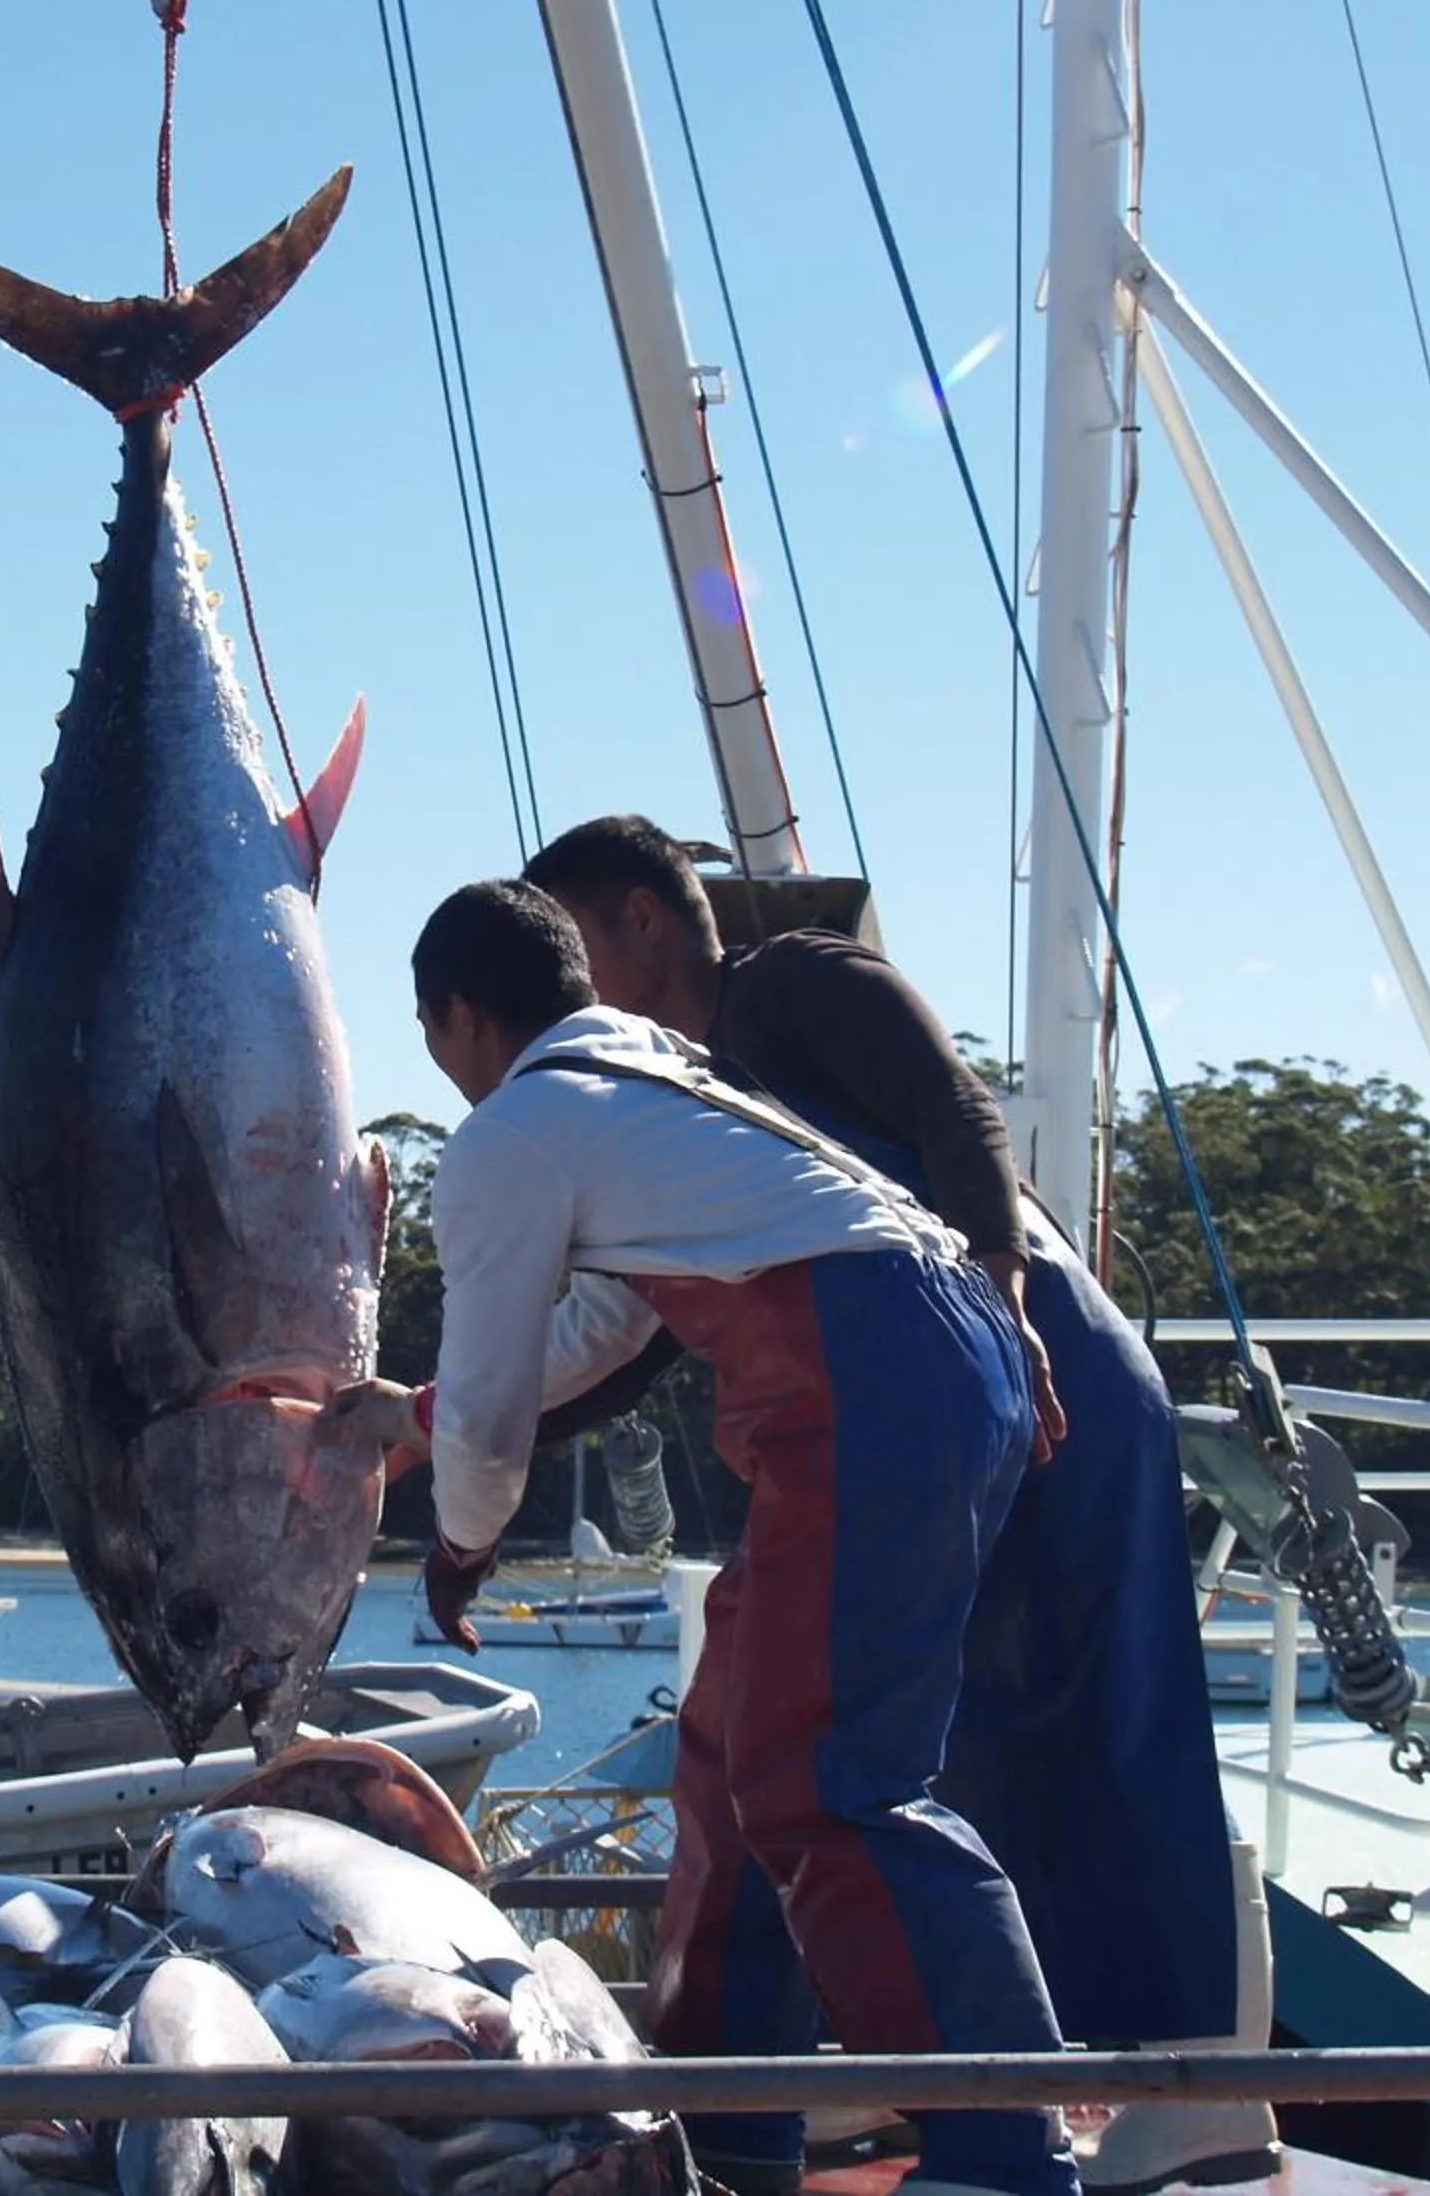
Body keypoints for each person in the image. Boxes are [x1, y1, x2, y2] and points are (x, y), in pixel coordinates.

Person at [520, 815, 1271, 2196]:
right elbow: (619, 1344)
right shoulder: (680, 1105)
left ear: (640, 920)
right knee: (793, 1735)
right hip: (909, 1421)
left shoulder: (796, 983)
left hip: (1036, 1379)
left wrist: (1002, 1298)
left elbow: (958, 1112)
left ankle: (1196, 2089)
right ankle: (787, 2081)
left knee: (1108, 1726)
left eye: (570, 950)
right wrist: (466, 1434)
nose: (562, 998)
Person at [319, 879, 1080, 2196]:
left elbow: (495, 1424)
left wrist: (453, 1545)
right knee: (733, 1755)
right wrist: (425, 1415)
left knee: (832, 1781)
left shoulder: (514, 1132)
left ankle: (1006, 2145)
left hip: (873, 1371)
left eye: (432, 1032)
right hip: (935, 1344)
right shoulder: (655, 1076)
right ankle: (727, 2123)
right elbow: (603, 1331)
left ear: (457, 1016)